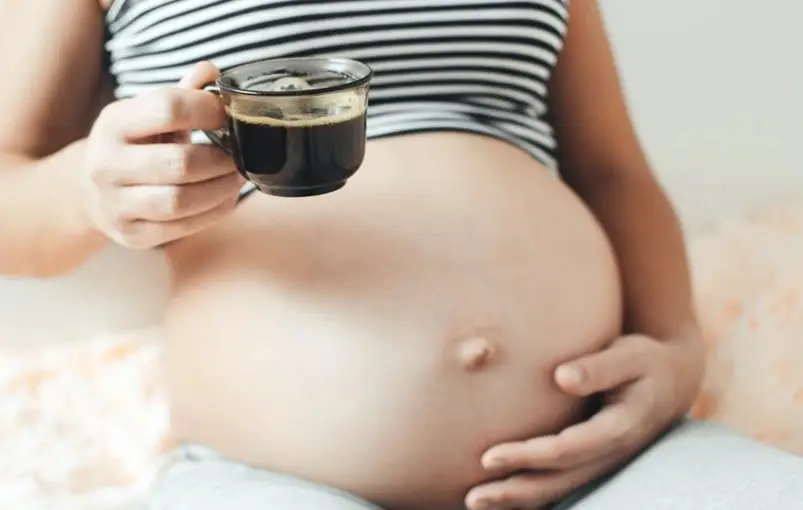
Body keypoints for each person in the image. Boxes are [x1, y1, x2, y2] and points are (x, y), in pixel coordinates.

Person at [1, 0, 802, 508]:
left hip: (607, 464)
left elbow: (613, 173)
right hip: (275, 481)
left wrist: (675, 350)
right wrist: (86, 189)